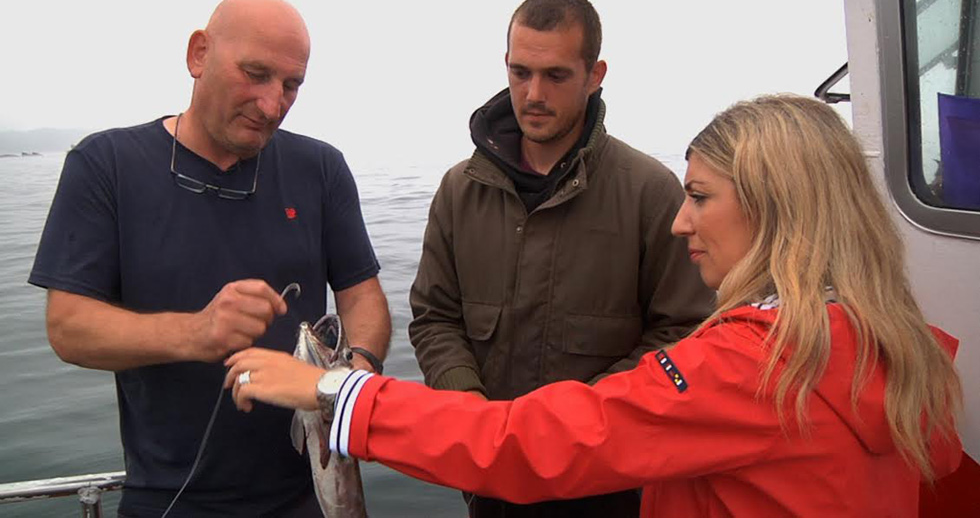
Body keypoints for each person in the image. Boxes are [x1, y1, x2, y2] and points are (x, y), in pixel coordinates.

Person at [224, 95, 964, 517]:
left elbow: (530, 441)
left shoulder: (758, 365)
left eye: (700, 197)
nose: (680, 222)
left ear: (777, 208)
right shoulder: (884, 343)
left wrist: (334, 390)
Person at [28, 0, 391, 517]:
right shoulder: (105, 164)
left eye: (291, 85)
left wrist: (348, 381)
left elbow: (362, 296)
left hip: (309, 493)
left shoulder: (322, 168)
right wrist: (196, 332)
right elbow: (68, 327)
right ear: (199, 54)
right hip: (165, 498)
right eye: (255, 74)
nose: (272, 105)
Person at [408, 0, 714, 516]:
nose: (533, 94)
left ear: (595, 75)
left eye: (555, 76)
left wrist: (572, 423)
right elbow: (435, 318)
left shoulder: (651, 192)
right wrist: (467, 406)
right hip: (490, 482)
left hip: (608, 486)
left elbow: (684, 334)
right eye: (520, 72)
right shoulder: (460, 190)